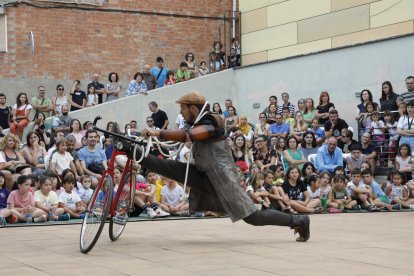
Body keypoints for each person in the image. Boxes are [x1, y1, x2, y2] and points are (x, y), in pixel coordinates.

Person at [129, 91, 310, 242]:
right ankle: (133, 152)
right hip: (204, 172)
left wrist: (159, 132)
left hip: (223, 178)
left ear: (193, 108)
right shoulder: (199, 120)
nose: (181, 112)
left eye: (182, 108)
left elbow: (191, 135)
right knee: (168, 167)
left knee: (254, 217)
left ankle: (298, 220)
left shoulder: (213, 120)